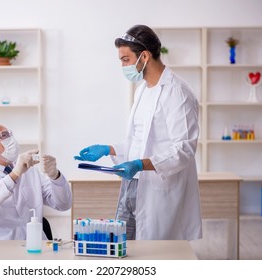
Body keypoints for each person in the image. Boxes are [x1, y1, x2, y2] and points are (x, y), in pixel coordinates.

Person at [75, 25, 202, 240]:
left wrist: (140, 164)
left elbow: (184, 150)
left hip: (158, 189)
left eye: (125, 59)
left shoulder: (177, 92)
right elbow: (138, 142)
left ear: (144, 56)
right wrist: (109, 149)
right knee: (124, 244)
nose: (122, 66)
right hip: (132, 184)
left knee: (154, 254)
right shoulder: (143, 89)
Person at [0, 122, 72, 240]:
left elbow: (63, 205)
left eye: (10, 135)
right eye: (3, 136)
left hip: (34, 246)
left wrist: (55, 176)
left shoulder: (29, 171)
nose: (11, 140)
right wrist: (14, 175)